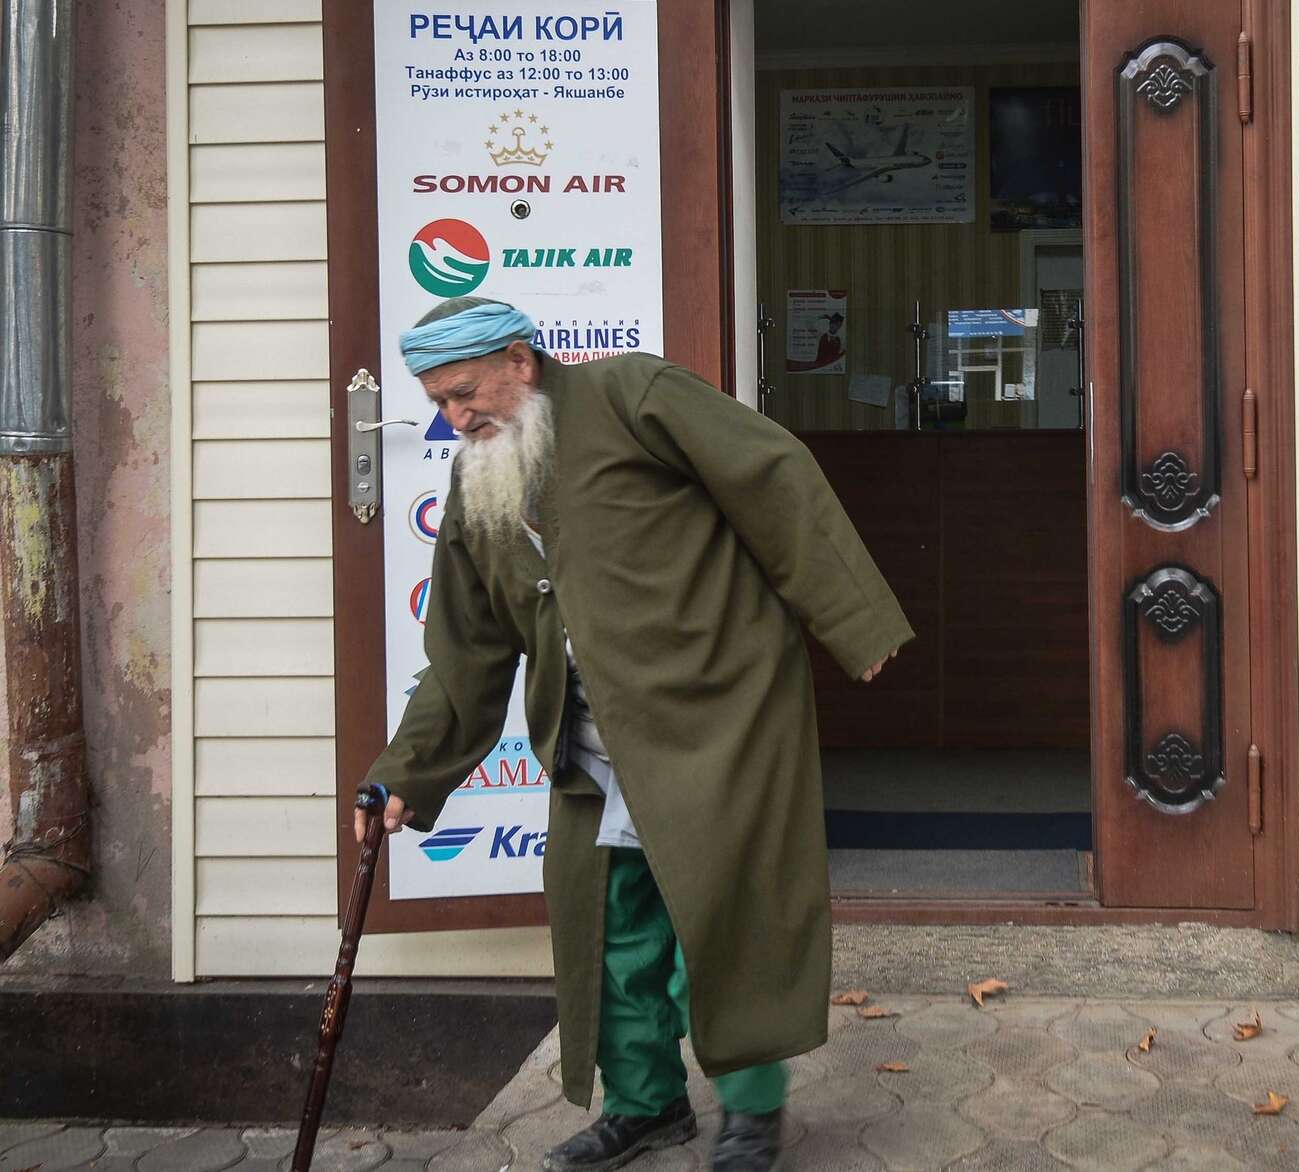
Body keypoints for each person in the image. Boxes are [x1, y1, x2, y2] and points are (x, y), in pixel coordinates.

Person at [357, 296, 912, 1172]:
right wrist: (403, 776)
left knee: (726, 924)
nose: (455, 418)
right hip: (592, 746)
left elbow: (772, 473)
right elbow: (466, 654)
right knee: (611, 933)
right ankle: (647, 1106)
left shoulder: (631, 394)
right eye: (438, 403)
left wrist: (852, 620)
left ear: (520, 360)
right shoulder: (478, 485)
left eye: (464, 393)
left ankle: (751, 1117)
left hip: (718, 717)